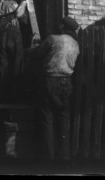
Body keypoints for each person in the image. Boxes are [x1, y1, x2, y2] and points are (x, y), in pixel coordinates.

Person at [28, 16, 80, 160]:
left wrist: (32, 48)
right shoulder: (76, 43)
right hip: (67, 83)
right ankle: (64, 158)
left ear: (62, 26)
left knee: (47, 118)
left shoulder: (53, 39)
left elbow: (37, 54)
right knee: (63, 120)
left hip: (50, 82)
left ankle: (48, 159)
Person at [0, 0, 28, 102]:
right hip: (14, 33)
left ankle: (2, 95)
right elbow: (20, 16)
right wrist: (24, 2)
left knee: (2, 65)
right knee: (17, 63)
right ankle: (16, 95)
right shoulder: (12, 3)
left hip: (1, 34)